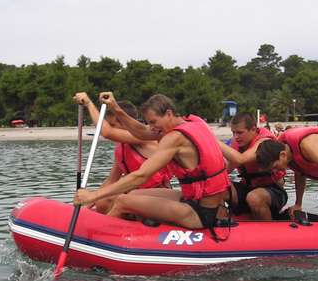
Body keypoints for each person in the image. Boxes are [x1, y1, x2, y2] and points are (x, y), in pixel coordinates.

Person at [74, 93, 230, 233]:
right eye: (149, 123)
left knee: (122, 201)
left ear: (168, 114)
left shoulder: (175, 138)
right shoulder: (194, 123)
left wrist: (93, 195)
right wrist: (115, 107)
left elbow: (140, 176)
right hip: (197, 200)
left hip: (202, 213)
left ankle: (95, 236)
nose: (152, 128)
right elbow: (142, 131)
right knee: (133, 194)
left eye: (154, 122)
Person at [74, 92, 171, 214]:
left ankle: (109, 222)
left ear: (124, 123)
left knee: (110, 199)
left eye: (113, 124)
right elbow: (111, 180)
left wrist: (89, 103)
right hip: (137, 194)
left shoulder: (143, 138)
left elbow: (107, 132)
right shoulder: (122, 147)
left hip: (157, 197)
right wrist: (89, 204)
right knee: (102, 201)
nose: (111, 127)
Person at [217, 112, 287, 220]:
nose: (236, 137)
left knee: (254, 197)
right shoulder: (237, 144)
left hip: (273, 191)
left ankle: (269, 228)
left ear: (253, 129)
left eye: (240, 133)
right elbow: (224, 170)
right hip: (248, 188)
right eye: (233, 132)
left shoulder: (264, 142)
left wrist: (212, 140)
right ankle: (222, 223)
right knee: (216, 186)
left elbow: (241, 159)